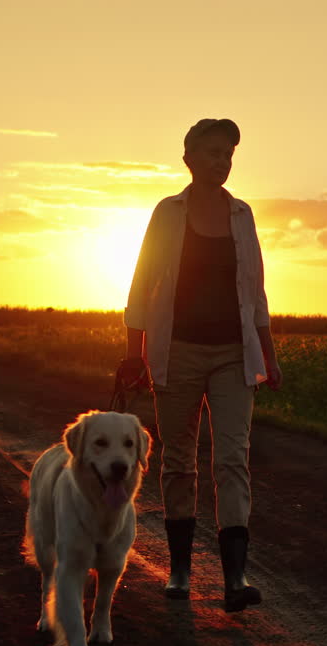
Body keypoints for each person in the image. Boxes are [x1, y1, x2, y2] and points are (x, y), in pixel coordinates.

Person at [119, 117, 282, 612]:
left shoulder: (242, 214)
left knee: (233, 459)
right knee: (178, 463)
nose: (222, 160)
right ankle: (181, 571)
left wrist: (269, 357)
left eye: (228, 152)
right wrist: (132, 352)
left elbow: (255, 292)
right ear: (188, 157)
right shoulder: (167, 213)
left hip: (235, 355)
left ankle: (235, 579)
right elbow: (143, 279)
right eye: (212, 151)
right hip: (178, 351)